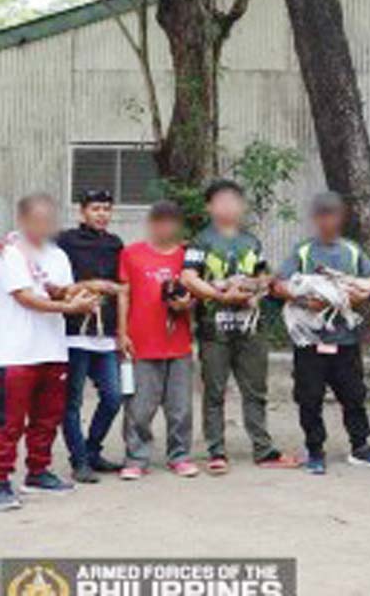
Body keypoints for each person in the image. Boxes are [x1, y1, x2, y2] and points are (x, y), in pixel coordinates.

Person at [181, 179, 297, 473]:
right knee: (214, 392)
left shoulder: (251, 241)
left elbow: (264, 276)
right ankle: (216, 452)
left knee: (256, 390)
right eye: (221, 201)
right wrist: (220, 294)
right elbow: (188, 278)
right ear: (209, 206)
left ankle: (264, 450)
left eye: (234, 200)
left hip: (251, 328)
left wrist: (255, 288)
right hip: (214, 329)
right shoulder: (201, 240)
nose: (228, 206)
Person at [273, 192, 370, 474]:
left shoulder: (351, 250)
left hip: (345, 339)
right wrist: (305, 300)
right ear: (316, 219)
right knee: (309, 397)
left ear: (341, 218)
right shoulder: (303, 251)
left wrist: (361, 293)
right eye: (322, 215)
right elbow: (278, 285)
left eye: (333, 215)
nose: (328, 221)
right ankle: (315, 450)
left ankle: (360, 447)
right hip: (310, 341)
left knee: (354, 395)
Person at [0, 194, 98, 508]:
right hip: (16, 352)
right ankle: (0, 479)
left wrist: (79, 293)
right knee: (9, 422)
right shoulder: (11, 253)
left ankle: (38, 471)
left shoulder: (57, 254)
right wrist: (69, 306)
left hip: (53, 349)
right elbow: (25, 297)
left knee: (47, 416)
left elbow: (56, 288)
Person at [118, 201, 198, 480]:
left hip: (178, 342)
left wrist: (185, 304)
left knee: (181, 407)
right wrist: (121, 333)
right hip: (141, 341)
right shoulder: (131, 253)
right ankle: (136, 458)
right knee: (139, 407)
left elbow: (197, 293)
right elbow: (123, 293)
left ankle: (180, 456)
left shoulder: (188, 257)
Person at [55, 188, 127, 483]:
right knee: (71, 403)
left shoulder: (115, 244)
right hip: (73, 333)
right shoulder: (64, 241)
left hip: (105, 335)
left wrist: (122, 332)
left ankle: (92, 450)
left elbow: (123, 288)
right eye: (96, 208)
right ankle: (79, 461)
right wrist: (93, 284)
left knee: (113, 397)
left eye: (106, 209)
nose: (101, 214)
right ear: (82, 211)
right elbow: (54, 283)